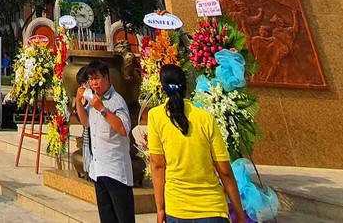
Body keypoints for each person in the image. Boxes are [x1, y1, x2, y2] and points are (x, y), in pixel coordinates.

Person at [147, 64, 244, 223]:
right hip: (212, 209)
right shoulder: (205, 118)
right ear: (186, 86)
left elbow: (157, 165)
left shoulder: (155, 117)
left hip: (177, 209)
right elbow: (224, 170)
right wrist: (239, 212)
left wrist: (160, 209)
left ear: (163, 88)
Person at [74, 59, 135, 223]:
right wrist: (78, 102)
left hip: (116, 170)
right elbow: (86, 123)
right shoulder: (93, 99)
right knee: (107, 217)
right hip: (99, 169)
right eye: (91, 79)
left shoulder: (116, 101)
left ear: (107, 78)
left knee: (123, 217)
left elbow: (123, 129)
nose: (94, 83)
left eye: (97, 78)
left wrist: (102, 109)